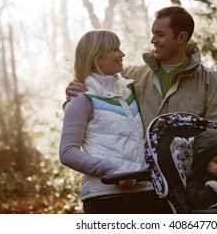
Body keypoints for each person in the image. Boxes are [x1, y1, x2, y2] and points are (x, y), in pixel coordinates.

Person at [65, 5, 217, 134]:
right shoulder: (130, 76)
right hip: (142, 176)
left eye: (160, 34)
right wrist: (73, 91)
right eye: (152, 33)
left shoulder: (208, 80)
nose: (153, 40)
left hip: (190, 178)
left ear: (181, 38)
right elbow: (97, 99)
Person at [59, 29, 171, 214]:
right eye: (115, 49)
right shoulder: (81, 99)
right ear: (97, 57)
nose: (122, 54)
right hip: (106, 196)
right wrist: (109, 170)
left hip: (146, 191)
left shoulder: (128, 91)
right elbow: (67, 152)